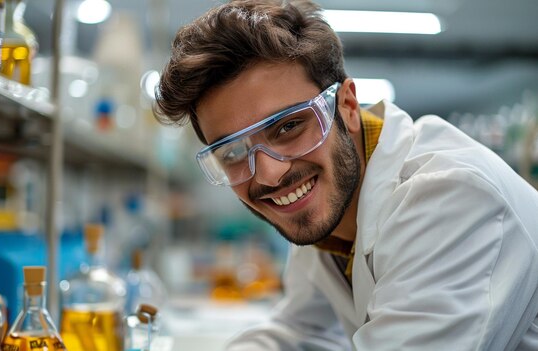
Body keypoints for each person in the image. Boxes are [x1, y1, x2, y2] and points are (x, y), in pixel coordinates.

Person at [154, 0, 538, 349]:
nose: (269, 174)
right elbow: (302, 333)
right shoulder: (329, 212)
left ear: (348, 106)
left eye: (288, 127)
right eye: (233, 152)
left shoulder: (450, 197)